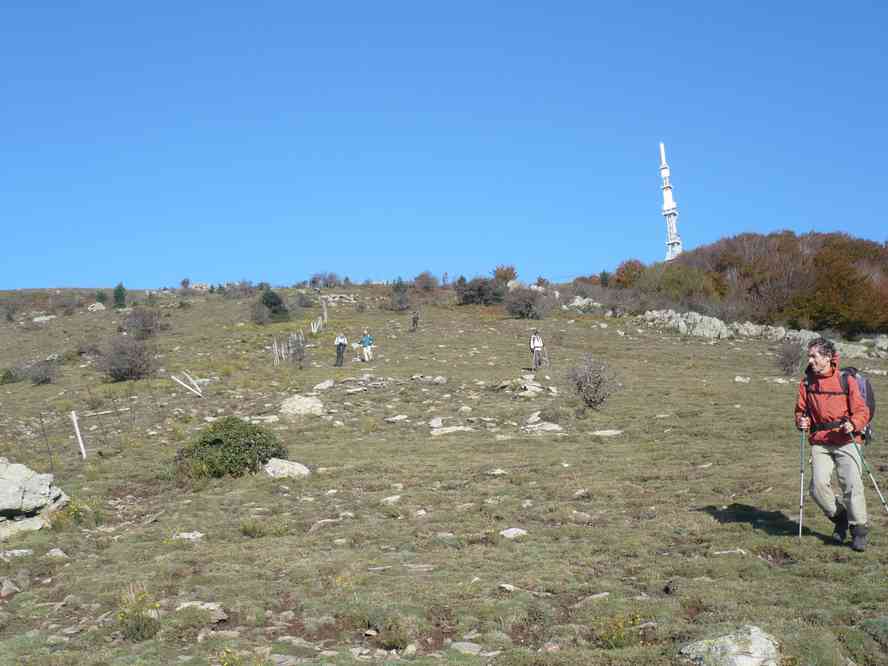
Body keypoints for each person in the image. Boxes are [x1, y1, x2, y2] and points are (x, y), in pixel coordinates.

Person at [795, 338, 871, 551]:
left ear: (827, 358)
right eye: (809, 356)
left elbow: (862, 411)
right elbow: (800, 411)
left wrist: (854, 424)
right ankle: (840, 518)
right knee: (817, 487)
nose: (810, 360)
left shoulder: (846, 381)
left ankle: (859, 531)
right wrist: (801, 421)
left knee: (852, 485)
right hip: (821, 441)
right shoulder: (807, 383)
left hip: (847, 439)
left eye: (814, 356)